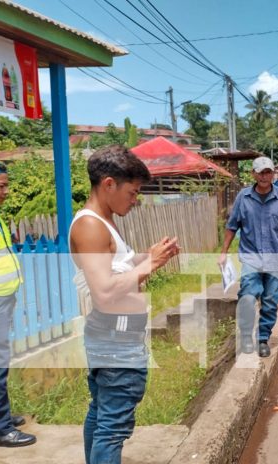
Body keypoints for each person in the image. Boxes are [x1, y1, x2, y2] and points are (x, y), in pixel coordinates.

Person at [69, 145, 179, 464]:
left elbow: (117, 270)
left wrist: (149, 256)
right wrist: (149, 265)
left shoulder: (104, 222)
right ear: (108, 184)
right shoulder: (90, 226)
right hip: (114, 337)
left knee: (102, 415)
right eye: (132, 192)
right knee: (113, 428)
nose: (135, 200)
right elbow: (104, 293)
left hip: (114, 335)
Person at [218, 156, 278, 358]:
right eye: (260, 172)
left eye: (268, 172)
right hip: (251, 258)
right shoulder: (243, 198)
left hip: (276, 259)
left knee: (270, 301)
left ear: (273, 174)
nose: (264, 176)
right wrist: (223, 252)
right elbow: (232, 226)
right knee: (247, 296)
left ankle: (263, 339)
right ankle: (245, 336)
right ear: (253, 174)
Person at [0, 162, 35, 448]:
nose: (5, 192)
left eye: (6, 185)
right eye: (1, 186)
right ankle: (1, 428)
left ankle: (2, 416)